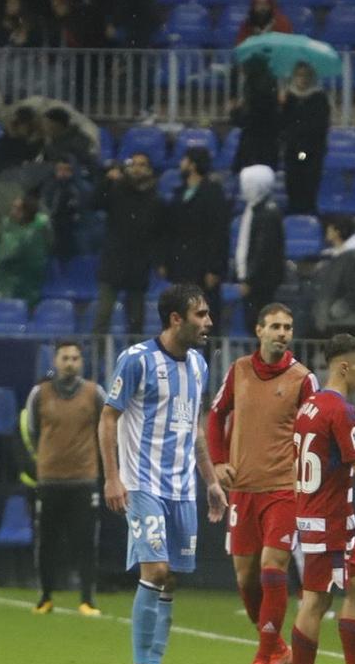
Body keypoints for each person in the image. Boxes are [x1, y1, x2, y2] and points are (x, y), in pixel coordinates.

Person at [102, 285, 229, 664]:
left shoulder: (197, 364)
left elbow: (194, 427)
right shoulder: (136, 360)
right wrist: (113, 477)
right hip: (142, 483)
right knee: (154, 571)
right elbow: (108, 418)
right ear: (176, 319)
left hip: (181, 486)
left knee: (170, 577)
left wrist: (210, 479)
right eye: (201, 315)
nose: (208, 323)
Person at [204, 304, 316, 664]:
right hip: (244, 489)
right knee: (246, 577)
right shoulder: (239, 371)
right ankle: (278, 647)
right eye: (275, 326)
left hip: (284, 488)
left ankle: (264, 656)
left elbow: (313, 430)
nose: (282, 332)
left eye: (287, 326)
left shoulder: (303, 378)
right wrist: (218, 462)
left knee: (273, 566)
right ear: (259, 330)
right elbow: (216, 415)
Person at [281, 335, 355, 664]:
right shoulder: (340, 410)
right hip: (327, 522)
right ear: (344, 367)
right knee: (316, 602)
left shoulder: (310, 406)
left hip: (329, 517)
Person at [24, 341, 104, 617]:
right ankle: (45, 596)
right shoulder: (39, 394)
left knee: (85, 542)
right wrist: (47, 458)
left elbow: (105, 431)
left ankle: (87, 599)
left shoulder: (95, 394)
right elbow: (33, 431)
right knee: (46, 542)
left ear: (81, 362)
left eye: (74, 358)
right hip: (49, 480)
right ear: (55, 361)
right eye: (64, 357)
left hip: (84, 479)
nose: (70, 363)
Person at [161, 147, 230, 323]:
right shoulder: (180, 193)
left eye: (184, 160)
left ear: (192, 164)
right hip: (181, 265)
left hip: (202, 266)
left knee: (204, 314)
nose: (180, 164)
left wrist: (214, 269)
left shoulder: (213, 193)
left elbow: (218, 233)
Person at [95, 151, 159, 335]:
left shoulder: (154, 199)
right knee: (102, 317)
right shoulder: (116, 190)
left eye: (142, 165)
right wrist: (107, 181)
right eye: (134, 164)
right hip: (113, 261)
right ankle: (96, 361)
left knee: (136, 322)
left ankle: (136, 361)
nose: (137, 169)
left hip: (138, 265)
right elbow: (94, 203)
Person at [231, 167, 287, 337]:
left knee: (260, 326)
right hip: (255, 280)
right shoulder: (254, 209)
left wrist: (249, 278)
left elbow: (262, 251)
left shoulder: (268, 213)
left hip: (262, 283)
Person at [280, 63, 330, 215]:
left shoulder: (319, 98)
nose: (302, 79)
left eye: (305, 75)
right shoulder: (288, 97)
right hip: (292, 150)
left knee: (309, 186)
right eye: (299, 75)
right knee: (293, 185)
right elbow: (283, 123)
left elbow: (320, 126)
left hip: (312, 150)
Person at [313, 215, 355, 335]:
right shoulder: (336, 255)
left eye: (329, 228)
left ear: (337, 232)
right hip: (333, 322)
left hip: (346, 323)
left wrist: (334, 312)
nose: (326, 231)